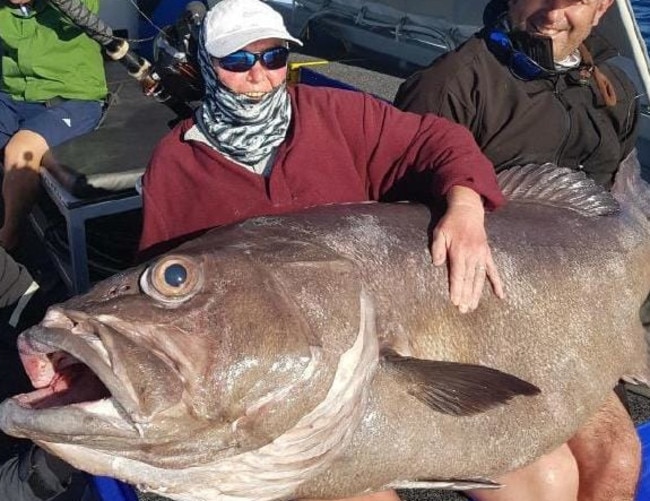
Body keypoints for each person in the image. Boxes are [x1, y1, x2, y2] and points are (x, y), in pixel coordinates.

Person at [394, 0, 640, 500]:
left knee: (617, 458)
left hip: (574, 310)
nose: (552, 14)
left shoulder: (613, 87)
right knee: (548, 482)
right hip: (482, 316)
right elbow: (397, 225)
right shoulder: (451, 83)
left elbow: (619, 196)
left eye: (575, 2)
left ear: (602, 9)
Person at [138, 0, 509, 321]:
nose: (258, 75)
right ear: (206, 64)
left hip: (361, 328)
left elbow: (439, 139)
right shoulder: (175, 161)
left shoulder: (340, 112)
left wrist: (465, 207)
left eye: (274, 56)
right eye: (236, 60)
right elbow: (165, 283)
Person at [0, 0, 108, 251]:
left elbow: (80, 13)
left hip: (73, 98)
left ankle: (9, 240)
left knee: (19, 150)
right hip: (14, 94)